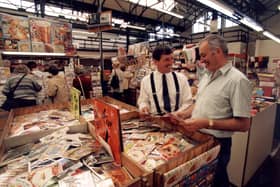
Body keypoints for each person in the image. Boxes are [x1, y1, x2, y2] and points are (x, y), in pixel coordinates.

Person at [171, 34, 252, 187]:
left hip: (217, 143)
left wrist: (206, 123)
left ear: (218, 51)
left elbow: (244, 124)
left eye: (203, 55)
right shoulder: (207, 75)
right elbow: (199, 102)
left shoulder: (238, 81)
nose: (201, 60)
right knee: (202, 181)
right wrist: (183, 113)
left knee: (217, 180)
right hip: (196, 138)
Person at [137, 45, 192, 116]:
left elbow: (187, 102)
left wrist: (177, 114)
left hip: (178, 119)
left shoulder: (182, 79)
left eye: (172, 58)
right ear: (155, 62)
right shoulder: (146, 81)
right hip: (155, 121)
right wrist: (144, 107)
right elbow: (143, 101)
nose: (171, 62)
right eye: (166, 60)